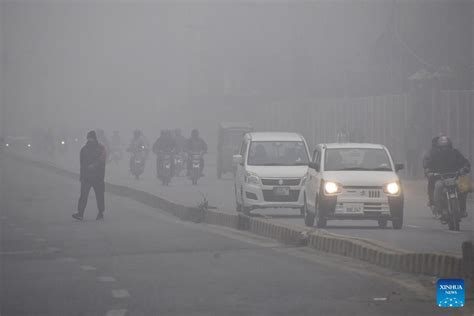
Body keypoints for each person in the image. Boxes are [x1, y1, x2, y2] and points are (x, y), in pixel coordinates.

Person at [425, 136, 471, 219]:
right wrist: (429, 172)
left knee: (464, 187)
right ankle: (438, 210)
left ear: (450, 146)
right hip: (441, 179)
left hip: (455, 178)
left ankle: (463, 209)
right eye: (442, 147)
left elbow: (465, 162)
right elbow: (428, 165)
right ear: (439, 147)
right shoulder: (435, 155)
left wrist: (465, 168)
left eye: (446, 147)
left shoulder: (455, 153)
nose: (444, 149)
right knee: (438, 187)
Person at [73, 130, 107, 221]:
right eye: (89, 138)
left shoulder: (101, 148)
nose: (90, 139)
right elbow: (82, 164)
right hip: (86, 177)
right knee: (83, 196)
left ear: (95, 138)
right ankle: (80, 213)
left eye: (91, 138)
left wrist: (94, 166)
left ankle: (100, 213)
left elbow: (102, 160)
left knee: (100, 196)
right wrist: (81, 176)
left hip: (98, 177)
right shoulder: (84, 149)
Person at [423, 132, 445, 207]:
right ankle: (432, 201)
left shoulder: (451, 152)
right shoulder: (431, 153)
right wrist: (428, 171)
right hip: (437, 175)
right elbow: (426, 162)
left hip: (450, 175)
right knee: (432, 184)